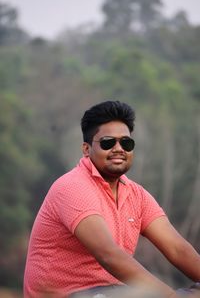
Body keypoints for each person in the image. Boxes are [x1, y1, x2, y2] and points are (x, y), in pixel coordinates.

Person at [24, 101, 200, 298]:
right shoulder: (73, 187)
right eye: (108, 142)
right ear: (86, 149)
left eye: (126, 143)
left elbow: (177, 249)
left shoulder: (136, 195)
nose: (119, 149)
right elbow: (109, 255)